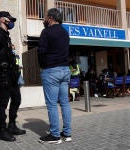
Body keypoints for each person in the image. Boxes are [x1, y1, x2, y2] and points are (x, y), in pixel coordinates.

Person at [0, 11, 26, 142]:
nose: (11, 22)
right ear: (3, 20)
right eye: (10, 20)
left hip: (12, 74)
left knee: (17, 99)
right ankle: (2, 131)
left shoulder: (6, 37)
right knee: (3, 102)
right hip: (3, 74)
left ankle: (12, 126)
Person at [37, 8, 72, 144]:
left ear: (50, 18)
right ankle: (67, 133)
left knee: (51, 104)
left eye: (46, 17)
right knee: (64, 103)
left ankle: (55, 135)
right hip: (65, 70)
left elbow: (41, 51)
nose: (44, 19)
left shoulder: (46, 32)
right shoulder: (65, 32)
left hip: (51, 70)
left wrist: (42, 66)